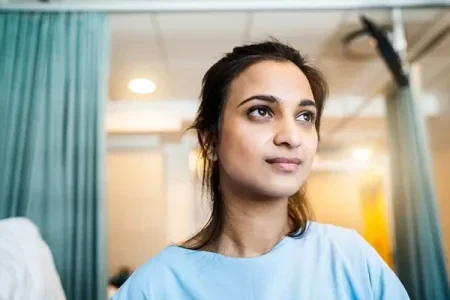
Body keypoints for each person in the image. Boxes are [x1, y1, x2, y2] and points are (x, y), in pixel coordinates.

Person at [112, 39, 410, 299]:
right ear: (211, 140)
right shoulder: (155, 286)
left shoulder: (350, 259)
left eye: (305, 116)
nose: (291, 137)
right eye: (261, 111)